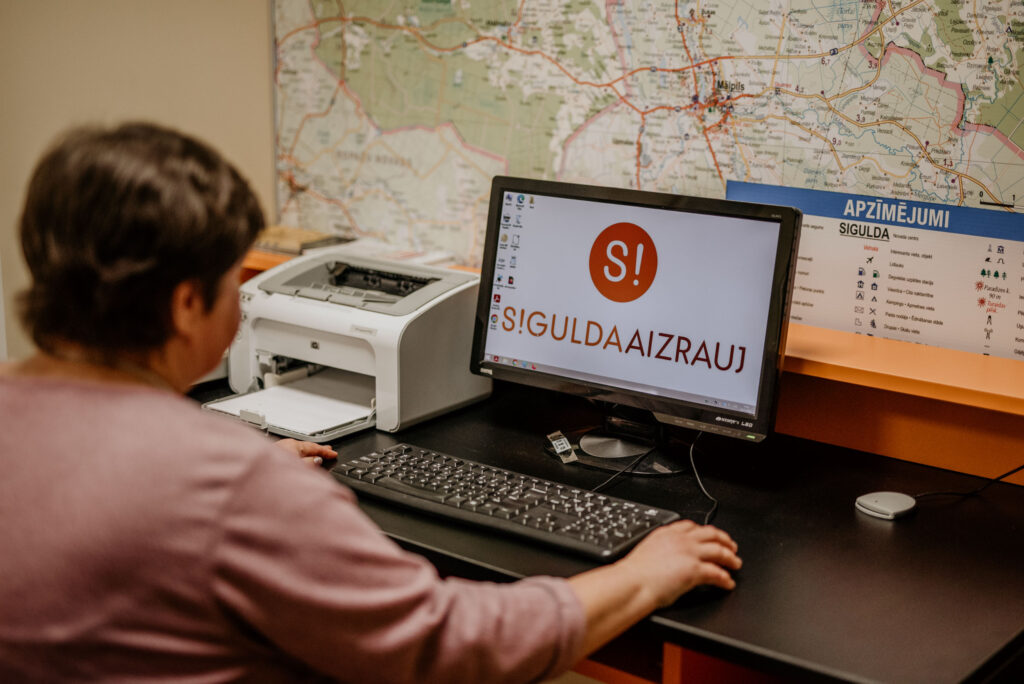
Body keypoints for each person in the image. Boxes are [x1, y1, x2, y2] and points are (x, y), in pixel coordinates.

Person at [0, 123, 741, 683]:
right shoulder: (225, 484)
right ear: (187, 304)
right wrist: (643, 574)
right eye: (234, 283)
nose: (240, 304)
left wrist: (245, 479)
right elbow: (452, 649)